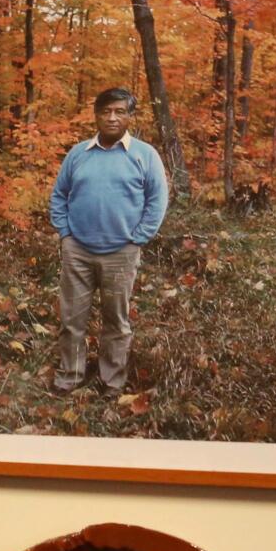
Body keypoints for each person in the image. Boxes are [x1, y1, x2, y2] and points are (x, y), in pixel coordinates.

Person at [49, 88, 170, 395]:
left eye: (119, 111)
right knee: (71, 319)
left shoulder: (144, 155)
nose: (112, 117)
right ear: (96, 115)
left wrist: (138, 238)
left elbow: (157, 200)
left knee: (116, 321)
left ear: (130, 116)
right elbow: (59, 195)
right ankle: (70, 377)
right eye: (106, 111)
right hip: (78, 250)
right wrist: (65, 233)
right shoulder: (78, 153)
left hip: (121, 253)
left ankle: (111, 381)